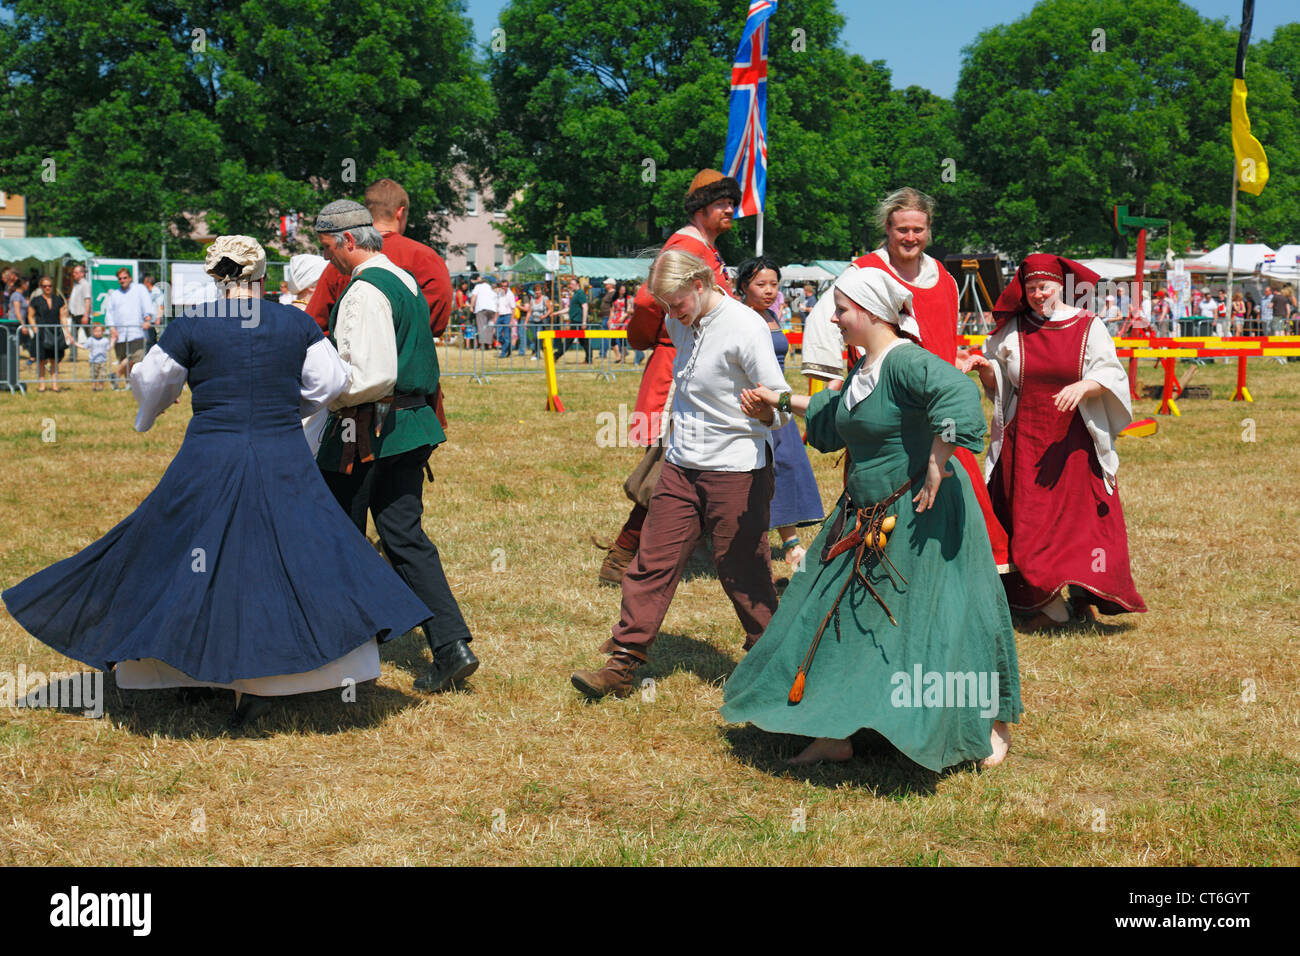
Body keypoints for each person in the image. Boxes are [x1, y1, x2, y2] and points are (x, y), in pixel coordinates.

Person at [1, 236, 434, 725]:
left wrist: (149, 414)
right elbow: (329, 384)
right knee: (298, 551)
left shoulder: (192, 324)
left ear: (215, 276)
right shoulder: (294, 323)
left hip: (210, 454)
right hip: (280, 455)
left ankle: (184, 666)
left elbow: (152, 381)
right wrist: (285, 412)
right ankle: (287, 675)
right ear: (263, 275)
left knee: (180, 551)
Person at [722, 266, 1021, 770]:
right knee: (838, 614)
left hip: (923, 511)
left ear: (868, 312)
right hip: (865, 514)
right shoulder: (865, 370)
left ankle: (987, 723)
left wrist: (936, 459)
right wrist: (777, 401)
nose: (835, 319)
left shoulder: (904, 361)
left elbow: (958, 393)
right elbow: (836, 414)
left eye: (841, 310)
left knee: (949, 615)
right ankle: (832, 726)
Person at [570, 249, 792, 699]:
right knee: (652, 560)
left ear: (700, 284)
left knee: (743, 569)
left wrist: (768, 411)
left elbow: (784, 402)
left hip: (736, 469)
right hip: (680, 465)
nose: (671, 315)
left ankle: (773, 662)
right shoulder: (680, 321)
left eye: (676, 303)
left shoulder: (745, 326)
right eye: (665, 306)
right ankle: (623, 663)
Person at [312, 200, 478, 693]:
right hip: (408, 426)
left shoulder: (364, 290)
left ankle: (339, 653)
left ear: (347, 241)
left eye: (328, 249)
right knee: (404, 538)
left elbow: (373, 376)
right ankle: (451, 645)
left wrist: (324, 392)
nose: (329, 262)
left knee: (337, 539)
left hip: (365, 431)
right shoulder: (402, 279)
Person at [801, 186, 1011, 570]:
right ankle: (875, 574)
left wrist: (954, 356)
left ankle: (965, 577)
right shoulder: (863, 270)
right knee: (881, 503)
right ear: (887, 227)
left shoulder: (944, 278)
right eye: (902, 229)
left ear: (928, 230)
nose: (910, 237)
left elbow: (941, 334)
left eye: (918, 229)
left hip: (938, 403)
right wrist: (833, 377)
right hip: (886, 408)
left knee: (956, 490)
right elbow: (824, 320)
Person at [965, 254, 1146, 629]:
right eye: (1030, 287)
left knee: (1083, 525)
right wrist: (986, 371)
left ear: (1060, 286)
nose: (1036, 294)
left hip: (1075, 441)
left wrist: (1083, 385)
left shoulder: (1088, 325)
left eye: (1043, 286)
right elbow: (1002, 385)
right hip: (1026, 441)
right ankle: (1044, 604)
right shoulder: (1013, 329)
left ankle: (1082, 595)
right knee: (1031, 524)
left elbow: (1110, 375)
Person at [593, 169, 740, 585]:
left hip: (699, 367)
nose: (729, 209)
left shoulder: (704, 248)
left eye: (731, 201)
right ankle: (624, 554)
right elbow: (646, 300)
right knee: (669, 468)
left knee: (703, 464)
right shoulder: (687, 246)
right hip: (680, 371)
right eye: (719, 202)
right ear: (699, 208)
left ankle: (707, 547)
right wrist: (651, 338)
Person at [306, 179, 453, 426]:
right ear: (401, 211)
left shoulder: (337, 266)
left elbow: (313, 328)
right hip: (412, 399)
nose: (326, 255)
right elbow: (432, 324)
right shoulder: (426, 258)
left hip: (358, 403)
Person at [734, 256, 822, 567]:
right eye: (761, 284)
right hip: (749, 403)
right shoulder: (737, 317)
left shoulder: (772, 314)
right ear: (744, 286)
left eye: (774, 284)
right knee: (748, 475)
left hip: (777, 402)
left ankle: (791, 545)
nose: (769, 290)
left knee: (787, 468)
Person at [104, 267, 152, 389]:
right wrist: (112, 327)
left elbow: (147, 305)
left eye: (125, 278)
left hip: (137, 330)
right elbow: (109, 312)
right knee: (123, 359)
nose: (122, 280)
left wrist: (148, 319)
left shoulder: (140, 289)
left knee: (135, 357)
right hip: (119, 332)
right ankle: (128, 383)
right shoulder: (114, 294)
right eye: (120, 278)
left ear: (130, 278)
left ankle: (115, 375)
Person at [25, 275, 72, 391]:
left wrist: (67, 332)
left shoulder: (58, 300)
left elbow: (63, 317)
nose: (47, 288)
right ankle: (42, 386)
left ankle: (55, 385)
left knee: (54, 360)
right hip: (41, 333)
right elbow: (30, 316)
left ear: (53, 287)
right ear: (41, 287)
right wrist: (35, 329)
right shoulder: (36, 301)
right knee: (41, 360)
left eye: (50, 286)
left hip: (56, 332)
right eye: (45, 286)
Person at [470, 274, 496, 350]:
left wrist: (471, 306)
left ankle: (482, 345)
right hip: (492, 309)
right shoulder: (492, 288)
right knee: (490, 327)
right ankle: (490, 345)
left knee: (481, 327)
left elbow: (474, 296)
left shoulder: (478, 287)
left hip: (481, 308)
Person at [495, 277, 519, 358]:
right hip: (500, 315)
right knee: (497, 334)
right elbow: (497, 306)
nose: (503, 287)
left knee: (507, 335)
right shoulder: (500, 294)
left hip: (507, 316)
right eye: (502, 286)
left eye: (505, 286)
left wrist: (511, 320)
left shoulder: (510, 295)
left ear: (507, 286)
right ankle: (508, 346)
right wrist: (495, 317)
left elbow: (513, 309)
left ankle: (503, 353)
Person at [526, 282, 550, 359]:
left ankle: (539, 354)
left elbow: (550, 309)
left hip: (541, 321)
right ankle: (537, 353)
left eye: (539, 290)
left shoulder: (545, 298)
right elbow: (529, 311)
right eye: (536, 290)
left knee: (538, 337)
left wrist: (544, 316)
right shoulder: (532, 300)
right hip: (533, 321)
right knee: (534, 337)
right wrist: (526, 322)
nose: (537, 292)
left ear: (541, 291)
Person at [85, 322, 110, 391]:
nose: (98, 333)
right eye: (96, 331)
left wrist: (113, 340)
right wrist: (74, 343)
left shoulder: (105, 340)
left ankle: (101, 387)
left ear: (103, 331)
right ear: (93, 331)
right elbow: (84, 347)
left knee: (102, 374)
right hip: (93, 361)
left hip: (103, 360)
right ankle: (94, 387)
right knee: (94, 374)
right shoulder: (90, 339)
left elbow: (108, 348)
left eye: (99, 331)